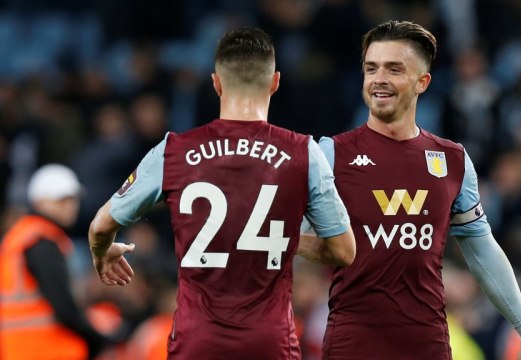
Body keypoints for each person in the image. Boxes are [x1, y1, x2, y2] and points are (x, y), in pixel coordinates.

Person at [87, 27, 355, 360]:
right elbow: (343, 250)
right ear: (275, 82)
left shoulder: (172, 151)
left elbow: (100, 226)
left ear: (216, 83)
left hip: (197, 341)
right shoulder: (305, 152)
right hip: (269, 343)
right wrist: (281, 237)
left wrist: (102, 254)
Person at [297, 20, 521, 359]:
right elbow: (295, 237)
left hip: (427, 344)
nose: (378, 79)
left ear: (421, 82)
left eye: (394, 69)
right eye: (371, 69)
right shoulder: (331, 154)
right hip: (353, 342)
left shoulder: (452, 160)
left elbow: (481, 248)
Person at [0, 164, 112, 360]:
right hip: (49, 349)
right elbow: (64, 306)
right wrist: (98, 340)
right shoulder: (41, 241)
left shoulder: (21, 237)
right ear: (40, 202)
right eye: (61, 200)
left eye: (72, 199)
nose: (70, 206)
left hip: (23, 351)